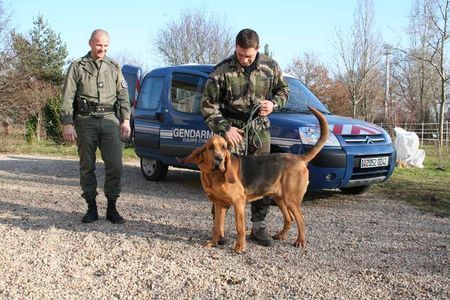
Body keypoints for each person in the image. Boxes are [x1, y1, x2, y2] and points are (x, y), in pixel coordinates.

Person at [202, 28, 289, 246]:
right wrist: (225, 127)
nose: (244, 59)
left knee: (263, 179)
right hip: (231, 131)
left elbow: (284, 91)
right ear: (236, 48)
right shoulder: (221, 71)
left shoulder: (271, 66)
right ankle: (219, 230)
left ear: (257, 50)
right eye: (240, 54)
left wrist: (274, 104)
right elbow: (207, 106)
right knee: (223, 178)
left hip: (259, 129)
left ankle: (258, 227)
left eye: (248, 55)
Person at [61, 29, 131, 224]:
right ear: (90, 43)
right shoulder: (77, 67)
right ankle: (91, 208)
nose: (102, 49)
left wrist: (125, 120)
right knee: (87, 166)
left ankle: (112, 208)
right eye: (99, 45)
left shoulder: (114, 67)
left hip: (110, 120)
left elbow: (123, 96)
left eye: (106, 46)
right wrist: (67, 123)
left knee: (115, 165)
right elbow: (67, 96)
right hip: (86, 120)